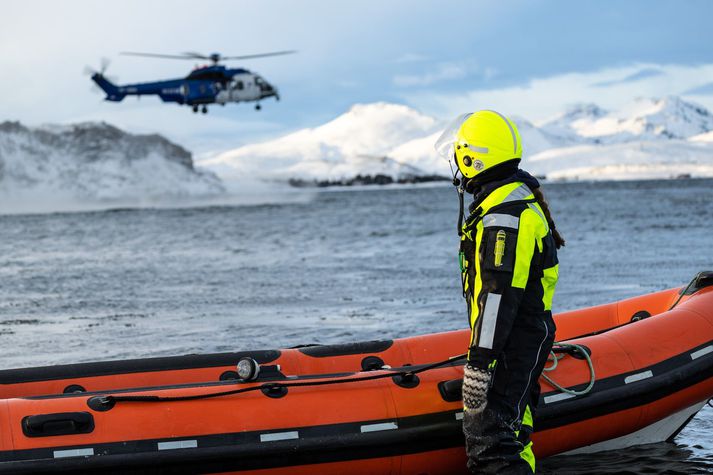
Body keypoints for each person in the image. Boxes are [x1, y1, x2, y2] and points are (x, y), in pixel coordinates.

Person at [434, 110, 565, 474]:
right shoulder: (513, 202)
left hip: (509, 345)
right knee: (514, 433)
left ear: (472, 158)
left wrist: (479, 363)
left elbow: (496, 297)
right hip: (521, 338)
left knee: (491, 444)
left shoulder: (503, 219)